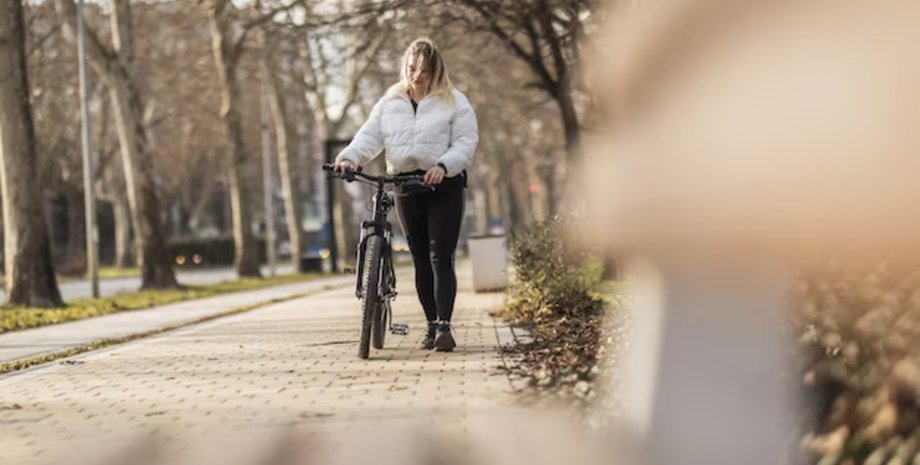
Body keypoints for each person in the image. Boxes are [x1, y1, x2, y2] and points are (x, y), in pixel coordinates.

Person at [332, 37, 479, 352]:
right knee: (419, 259)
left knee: (441, 256)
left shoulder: (453, 100)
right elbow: (369, 136)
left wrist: (444, 165)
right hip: (405, 185)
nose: (416, 76)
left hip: (443, 184)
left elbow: (466, 141)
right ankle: (430, 325)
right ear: (405, 66)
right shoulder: (390, 102)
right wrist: (349, 158)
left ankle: (444, 326)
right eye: (412, 68)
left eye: (424, 71)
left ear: (435, 70)